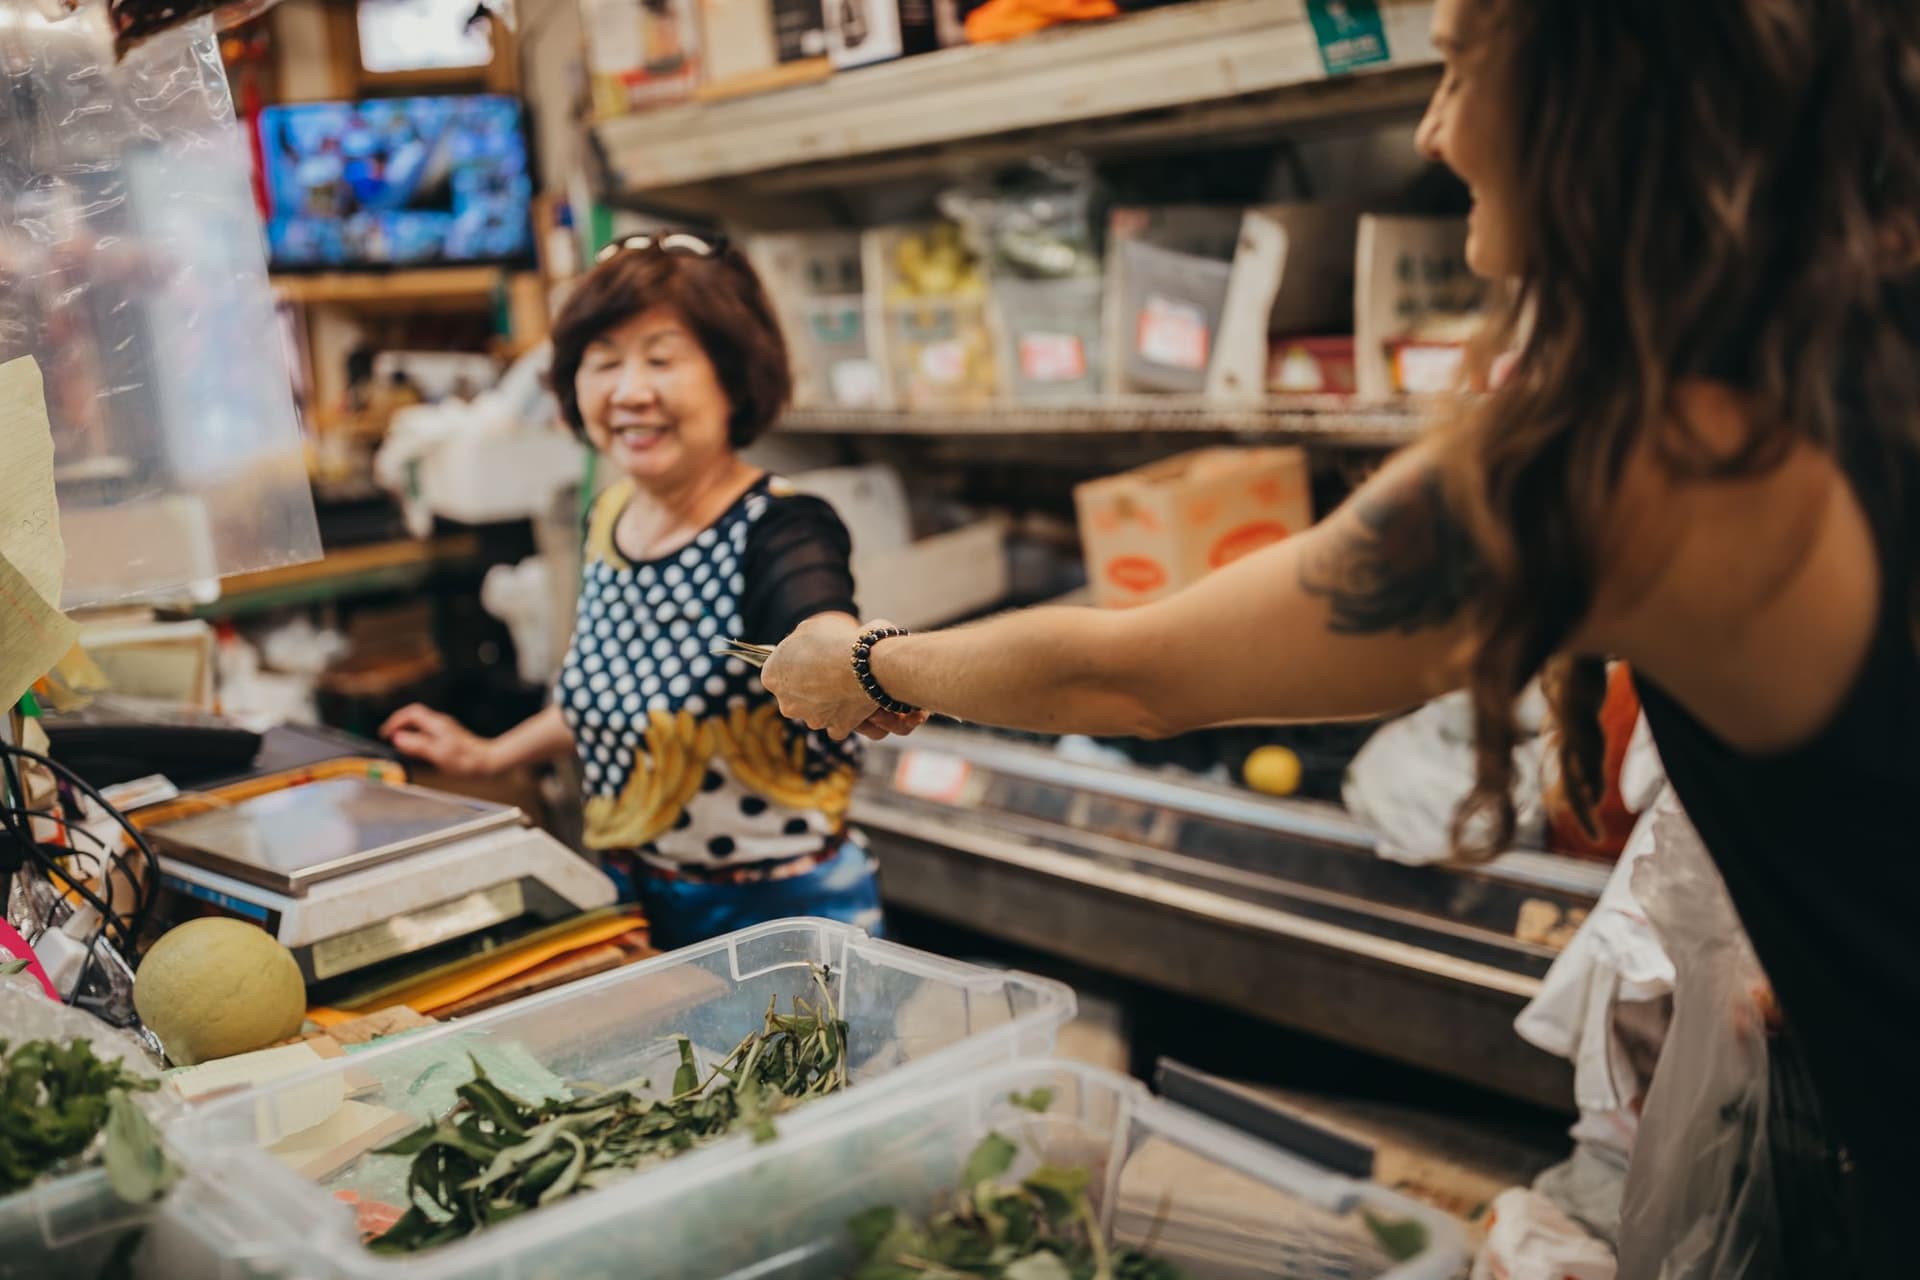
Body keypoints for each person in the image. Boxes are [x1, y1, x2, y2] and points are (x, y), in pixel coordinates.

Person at [764, 1, 1919, 1270]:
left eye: (1460, 71)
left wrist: (868, 660)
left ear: (1600, 98)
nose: (1432, 134)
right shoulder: (1858, 340)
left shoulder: (1633, 460)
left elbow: (1135, 671)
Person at [383, 232, 908, 949]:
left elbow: (818, 620)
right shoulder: (610, 520)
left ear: (732, 375)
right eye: (603, 362)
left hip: (782, 922)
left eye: (661, 359)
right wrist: (491, 756)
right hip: (631, 904)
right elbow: (613, 692)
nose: (629, 392)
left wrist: (856, 659)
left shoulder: (782, 526)